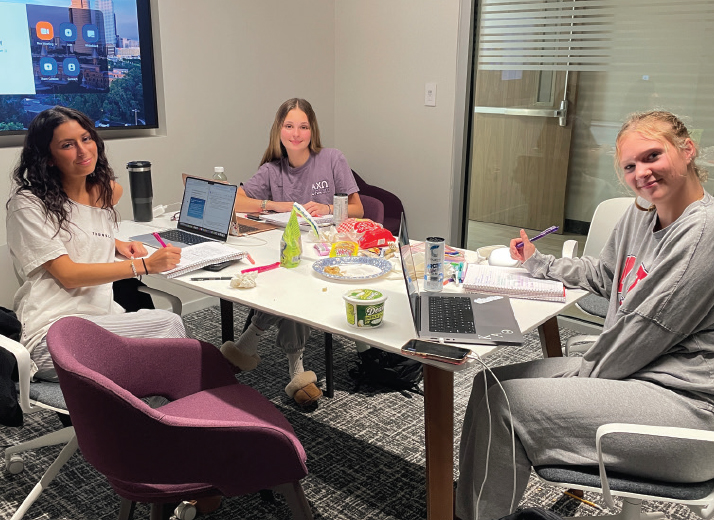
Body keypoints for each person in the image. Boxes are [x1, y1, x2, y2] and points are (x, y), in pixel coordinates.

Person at [456, 110, 714, 520]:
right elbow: (606, 273)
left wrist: (578, 378)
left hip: (688, 411)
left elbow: (641, 334)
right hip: (636, 375)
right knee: (491, 380)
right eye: (630, 166)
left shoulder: (703, 233)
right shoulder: (642, 213)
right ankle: (478, 508)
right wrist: (539, 263)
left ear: (687, 150)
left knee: (505, 401)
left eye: (652, 156)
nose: (641, 173)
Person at [7, 106, 188, 382]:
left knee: (171, 345)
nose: (82, 151)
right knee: (170, 334)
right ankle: (172, 418)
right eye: (68, 145)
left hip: (102, 319)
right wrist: (143, 265)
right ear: (49, 158)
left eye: (86, 139)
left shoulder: (102, 193)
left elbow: (80, 222)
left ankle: (154, 419)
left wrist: (114, 242)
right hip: (52, 333)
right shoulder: (28, 204)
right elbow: (68, 275)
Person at [220, 98, 364, 406]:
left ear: (312, 130)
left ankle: (252, 342)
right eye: (289, 126)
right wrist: (276, 204)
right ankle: (294, 368)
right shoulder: (273, 170)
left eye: (303, 126)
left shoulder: (332, 159)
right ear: (279, 130)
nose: (295, 134)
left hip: (329, 250)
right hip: (289, 253)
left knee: (293, 278)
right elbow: (235, 199)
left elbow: (358, 209)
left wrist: (327, 207)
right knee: (289, 272)